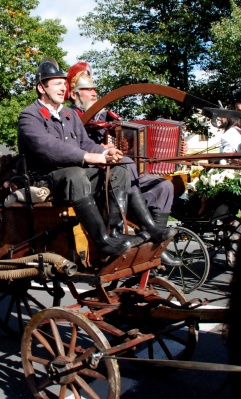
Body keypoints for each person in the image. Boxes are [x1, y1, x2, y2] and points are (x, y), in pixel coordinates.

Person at [18, 57, 173, 259]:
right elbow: (49, 148)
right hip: (45, 179)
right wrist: (90, 157)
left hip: (75, 177)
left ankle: (116, 233)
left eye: (63, 84)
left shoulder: (69, 115)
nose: (62, 88)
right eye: (57, 84)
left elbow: (84, 143)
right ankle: (103, 241)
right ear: (41, 88)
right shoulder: (30, 116)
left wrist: (104, 153)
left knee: (120, 168)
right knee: (75, 174)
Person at [65, 61, 180, 266]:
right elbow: (76, 147)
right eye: (87, 90)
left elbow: (126, 144)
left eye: (94, 89)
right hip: (98, 177)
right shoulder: (71, 117)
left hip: (124, 174)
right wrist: (101, 149)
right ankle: (148, 232)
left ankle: (155, 243)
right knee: (125, 164)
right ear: (74, 95)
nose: (94, 93)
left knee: (165, 186)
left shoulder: (106, 117)